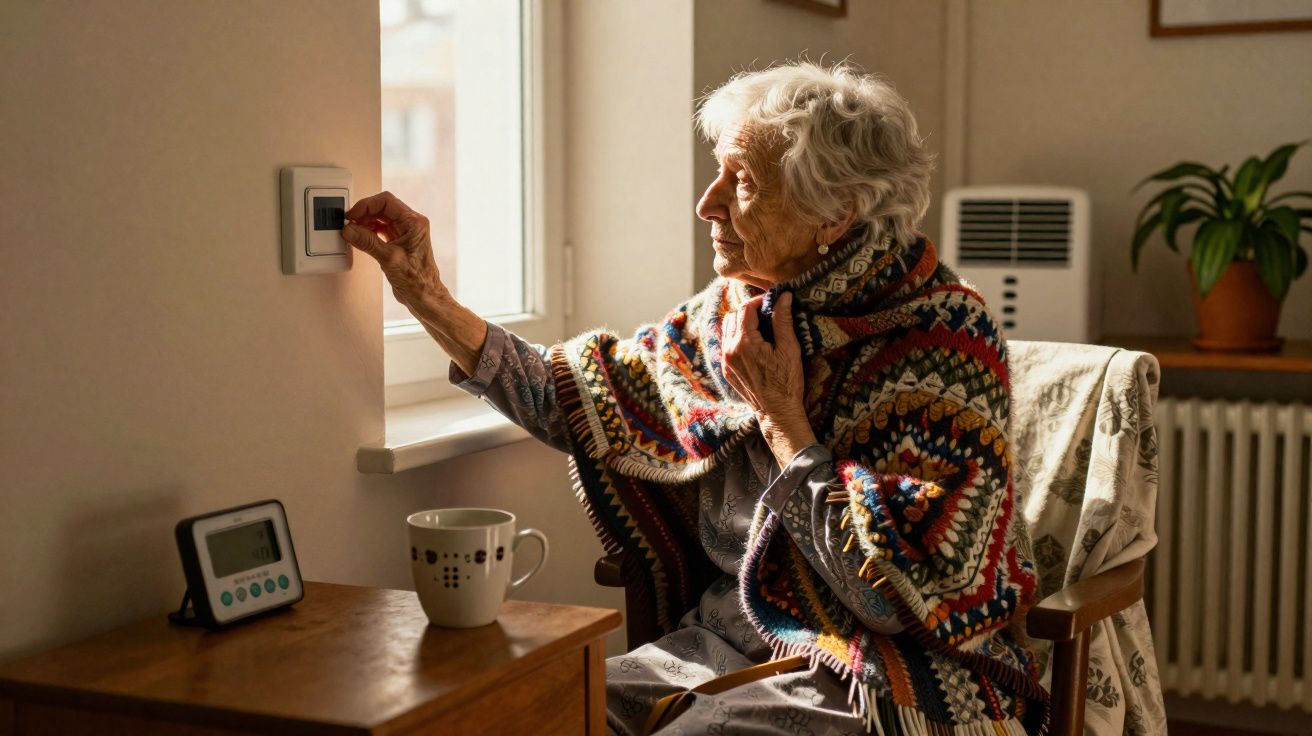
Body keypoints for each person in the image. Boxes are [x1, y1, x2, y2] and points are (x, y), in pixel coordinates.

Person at [343, 61, 1047, 735]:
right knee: (533, 714)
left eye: (740, 182)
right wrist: (424, 294)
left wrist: (782, 420)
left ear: (834, 213)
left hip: (879, 674)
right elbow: (575, 397)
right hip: (719, 645)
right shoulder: (733, 315)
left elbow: (897, 597)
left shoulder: (940, 339)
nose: (705, 202)